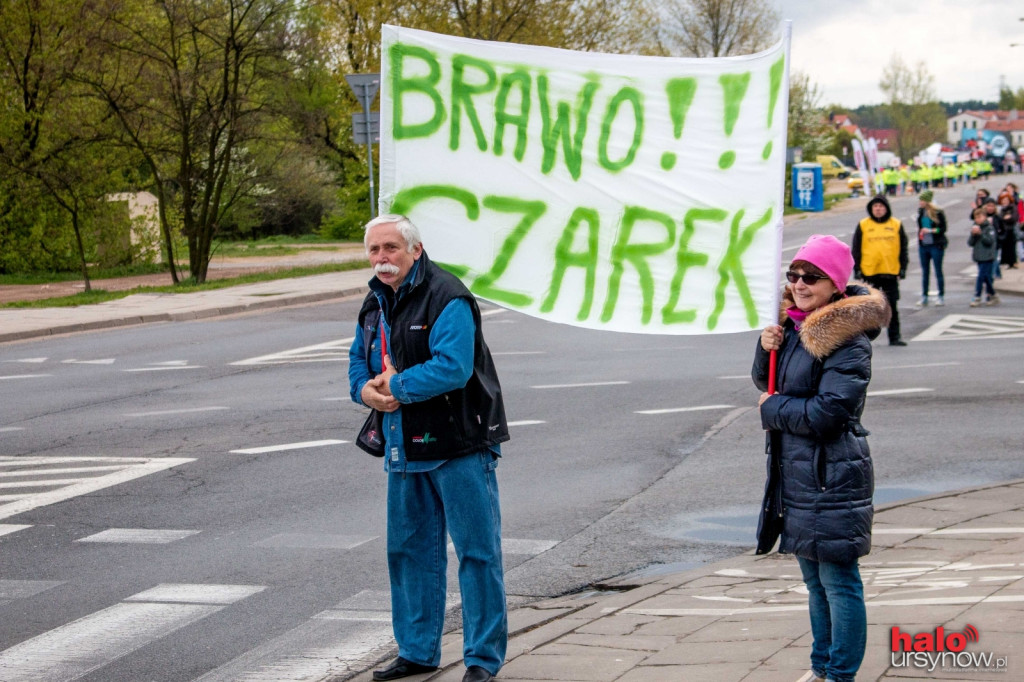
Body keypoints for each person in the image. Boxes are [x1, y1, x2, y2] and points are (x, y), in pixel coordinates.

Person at [349, 214, 510, 682]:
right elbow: (358, 363)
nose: (382, 258)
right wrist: (366, 392)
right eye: (374, 250)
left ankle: (482, 660)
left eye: (391, 248)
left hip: (460, 443)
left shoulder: (448, 296)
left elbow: (453, 367)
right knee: (409, 553)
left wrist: (397, 387)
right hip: (403, 445)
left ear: (415, 250)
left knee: (477, 554)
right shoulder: (375, 301)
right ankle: (417, 652)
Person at [753, 234, 889, 682]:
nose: (799, 283)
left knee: (838, 583)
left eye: (811, 277)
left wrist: (772, 410)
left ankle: (841, 674)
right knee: (814, 583)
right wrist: (766, 346)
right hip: (799, 474)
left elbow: (829, 414)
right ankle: (821, 667)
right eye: (794, 275)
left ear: (835, 285)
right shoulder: (795, 327)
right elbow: (767, 382)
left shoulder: (847, 341)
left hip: (832, 475)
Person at [852, 195, 908, 346]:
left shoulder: (896, 224)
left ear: (886, 208)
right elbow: (856, 248)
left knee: (892, 306)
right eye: (875, 206)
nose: (878, 209)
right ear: (871, 209)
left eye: (881, 206)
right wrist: (857, 268)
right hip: (870, 272)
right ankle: (866, 340)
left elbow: (903, 248)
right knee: (870, 308)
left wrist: (903, 267)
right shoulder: (863, 225)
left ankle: (895, 337)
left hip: (890, 271)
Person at [915, 190, 948, 306]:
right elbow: (920, 227)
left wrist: (931, 230)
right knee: (925, 272)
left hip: (936, 245)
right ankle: (924, 296)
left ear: (927, 201)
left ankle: (941, 295)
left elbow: (943, 229)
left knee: (938, 271)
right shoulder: (920, 212)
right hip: (924, 245)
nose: (920, 202)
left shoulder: (938, 213)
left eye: (922, 200)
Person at [969, 207, 999, 307]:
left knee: (981, 276)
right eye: (976, 218)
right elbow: (970, 243)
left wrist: (980, 234)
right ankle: (993, 294)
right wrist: (973, 235)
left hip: (987, 256)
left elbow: (989, 241)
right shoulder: (975, 227)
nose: (978, 219)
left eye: (980, 217)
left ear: (985, 217)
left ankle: (977, 296)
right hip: (979, 256)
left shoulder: (989, 228)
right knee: (986, 277)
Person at [996, 191, 1019, 269]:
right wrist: (1005, 218)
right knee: (1004, 247)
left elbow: (1014, 217)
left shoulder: (1012, 207)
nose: (1004, 201)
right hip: (1003, 230)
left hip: (1011, 230)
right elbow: (1000, 218)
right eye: (1003, 200)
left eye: (1006, 200)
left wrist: (1007, 218)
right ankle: (1005, 261)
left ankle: (1012, 262)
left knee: (1011, 247)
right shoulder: (1001, 209)